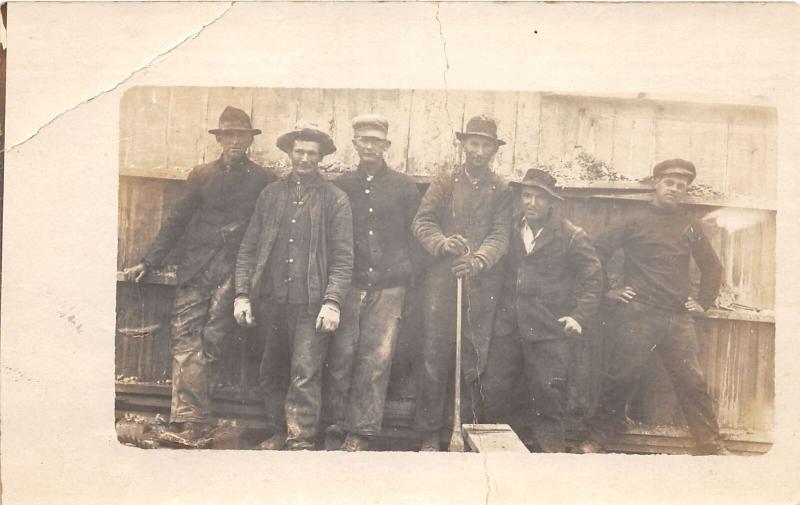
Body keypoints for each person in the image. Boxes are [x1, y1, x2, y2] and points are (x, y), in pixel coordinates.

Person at [121, 106, 276, 444]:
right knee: (185, 335)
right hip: (195, 269)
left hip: (233, 270)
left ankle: (198, 417)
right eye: (228, 135)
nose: (235, 141)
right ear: (220, 139)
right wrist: (149, 261)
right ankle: (188, 420)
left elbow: (266, 230)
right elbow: (177, 220)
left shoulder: (264, 181)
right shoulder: (201, 175)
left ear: (250, 140)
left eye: (241, 135)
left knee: (214, 339)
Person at [578, 158, 729, 455]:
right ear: (656, 184)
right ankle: (597, 439)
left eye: (681, 186)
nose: (674, 189)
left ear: (685, 191)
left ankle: (710, 444)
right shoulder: (633, 220)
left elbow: (712, 266)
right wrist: (610, 291)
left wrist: (703, 301)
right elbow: (595, 252)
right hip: (639, 315)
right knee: (620, 377)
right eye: (669, 183)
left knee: (692, 383)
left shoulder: (690, 225)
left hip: (677, 319)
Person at [234, 122, 353, 451]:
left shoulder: (335, 200)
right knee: (271, 370)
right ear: (289, 153)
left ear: (321, 158)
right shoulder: (270, 195)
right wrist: (242, 294)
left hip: (310, 305)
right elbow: (248, 248)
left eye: (311, 153)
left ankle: (300, 441)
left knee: (305, 373)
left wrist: (332, 302)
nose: (304, 158)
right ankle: (278, 431)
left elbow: (344, 258)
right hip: (271, 300)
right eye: (298, 151)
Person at [321, 114, 424, 451]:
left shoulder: (404, 187)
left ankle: (362, 432)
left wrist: (405, 279)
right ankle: (336, 425)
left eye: (376, 141)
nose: (369, 146)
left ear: (386, 146)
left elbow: (417, 236)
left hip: (389, 287)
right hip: (349, 285)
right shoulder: (341, 187)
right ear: (354, 144)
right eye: (363, 140)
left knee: (376, 360)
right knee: (341, 357)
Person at [411, 115, 513, 451]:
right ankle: (429, 433)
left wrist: (479, 259)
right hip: (442, 282)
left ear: (494, 150)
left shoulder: (501, 189)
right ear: (464, 145)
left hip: (481, 287)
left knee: (474, 358)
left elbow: (501, 234)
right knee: (434, 355)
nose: (479, 151)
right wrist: (442, 242)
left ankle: (464, 430)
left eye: (486, 145)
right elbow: (422, 221)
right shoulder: (445, 180)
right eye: (474, 143)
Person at [483, 169, 603, 452]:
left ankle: (550, 462)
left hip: (548, 330)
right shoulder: (509, 230)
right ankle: (497, 459)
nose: (532, 203)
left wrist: (578, 316)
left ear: (551, 202)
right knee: (495, 392)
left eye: (539, 197)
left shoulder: (571, 236)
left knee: (548, 396)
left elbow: (593, 278)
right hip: (508, 328)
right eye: (527, 196)